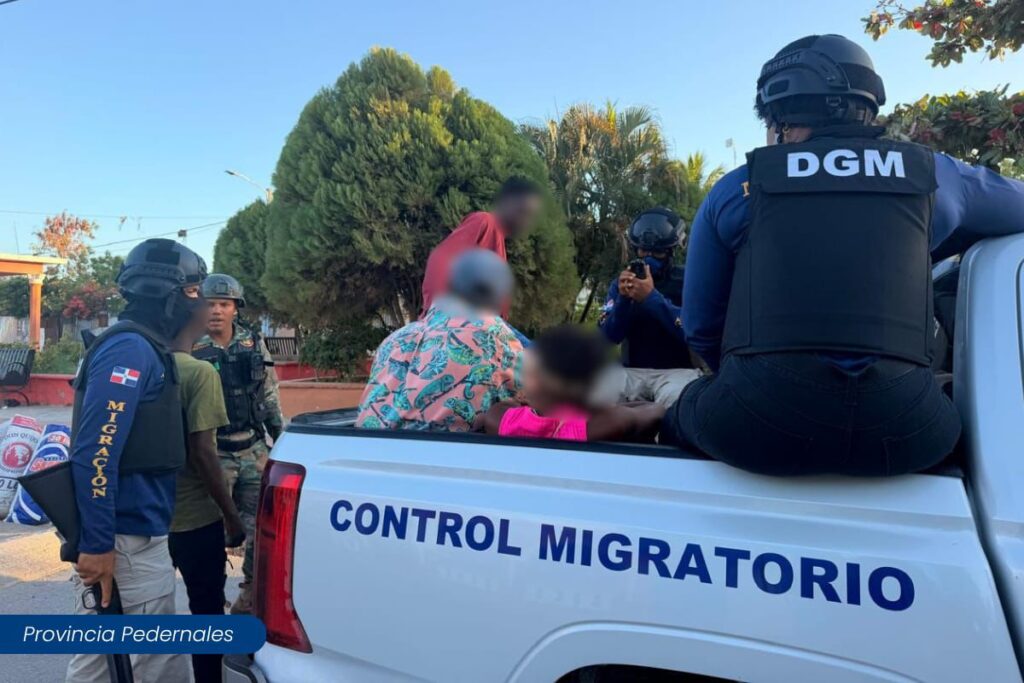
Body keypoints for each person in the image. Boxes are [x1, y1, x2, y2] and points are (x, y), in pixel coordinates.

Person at [663, 34, 1024, 476]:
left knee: (680, 411)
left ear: (779, 116)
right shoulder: (936, 176)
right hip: (910, 432)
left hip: (756, 425)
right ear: (868, 105)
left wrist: (750, 384)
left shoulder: (736, 189)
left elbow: (701, 329)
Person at [66, 238, 206, 683]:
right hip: (125, 543)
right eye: (193, 292)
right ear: (168, 293)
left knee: (145, 666)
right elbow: (96, 452)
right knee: (127, 669)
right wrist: (97, 544)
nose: (200, 304)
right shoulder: (129, 350)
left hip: (137, 538)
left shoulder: (145, 348)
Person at [192, 273, 284, 614]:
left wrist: (282, 441)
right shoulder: (191, 345)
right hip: (211, 455)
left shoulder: (252, 342)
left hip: (253, 450)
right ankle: (212, 602)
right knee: (209, 535)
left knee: (262, 531)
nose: (216, 310)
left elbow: (269, 394)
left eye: (224, 304)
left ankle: (249, 597)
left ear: (235, 308)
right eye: (210, 304)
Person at [167, 290, 246, 683]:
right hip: (195, 519)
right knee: (207, 613)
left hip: (149, 518)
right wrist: (231, 517)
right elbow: (203, 453)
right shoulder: (198, 372)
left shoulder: (146, 365)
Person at [358, 249, 525, 432]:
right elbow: (535, 400)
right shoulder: (494, 337)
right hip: (441, 450)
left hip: (361, 446)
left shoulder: (394, 340)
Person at [479, 325, 665, 442]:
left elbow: (502, 407)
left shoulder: (500, 421)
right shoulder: (603, 425)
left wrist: (520, 402)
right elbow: (655, 410)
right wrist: (601, 407)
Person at [597, 208, 701, 407]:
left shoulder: (688, 280)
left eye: (658, 252)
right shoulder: (619, 284)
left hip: (677, 373)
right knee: (598, 394)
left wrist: (652, 299)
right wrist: (623, 301)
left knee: (675, 401)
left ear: (671, 251)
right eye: (644, 251)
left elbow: (695, 331)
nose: (649, 257)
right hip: (630, 372)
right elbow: (607, 338)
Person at [421, 176, 543, 319]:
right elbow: (440, 259)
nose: (526, 221)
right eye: (523, 212)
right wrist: (439, 315)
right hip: (454, 321)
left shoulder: (499, 242)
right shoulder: (485, 221)